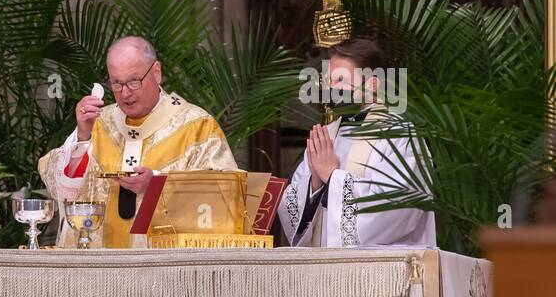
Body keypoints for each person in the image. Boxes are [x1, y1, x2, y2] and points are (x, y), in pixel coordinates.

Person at [40, 37, 237, 247]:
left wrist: (158, 185)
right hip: (99, 268)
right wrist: (82, 137)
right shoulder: (97, 123)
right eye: (116, 83)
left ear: (156, 73)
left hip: (164, 268)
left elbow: (226, 195)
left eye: (134, 81)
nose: (125, 93)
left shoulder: (196, 126)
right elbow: (58, 186)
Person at [278, 37, 435, 247]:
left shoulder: (399, 134)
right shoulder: (327, 135)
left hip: (380, 272)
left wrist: (332, 177)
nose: (332, 89)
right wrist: (314, 183)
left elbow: (400, 206)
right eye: (330, 81)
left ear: (372, 84)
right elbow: (291, 208)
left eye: (340, 80)